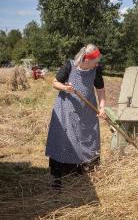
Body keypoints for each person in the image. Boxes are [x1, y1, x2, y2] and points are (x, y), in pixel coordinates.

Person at [45, 43, 107, 190]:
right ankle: (58, 175)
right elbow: (55, 83)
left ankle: (85, 170)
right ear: (86, 59)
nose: (98, 64)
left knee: (88, 138)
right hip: (66, 110)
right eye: (95, 61)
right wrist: (65, 88)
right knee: (63, 139)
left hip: (86, 111)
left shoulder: (96, 70)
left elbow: (101, 89)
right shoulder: (69, 66)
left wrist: (102, 107)